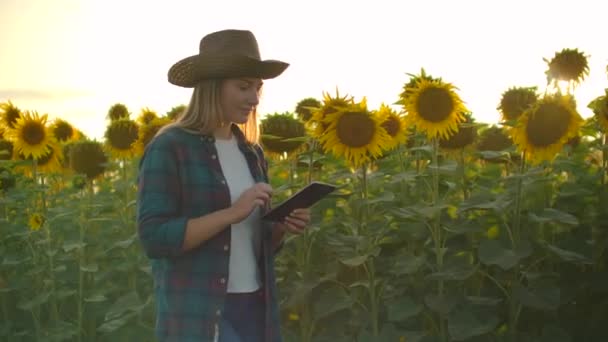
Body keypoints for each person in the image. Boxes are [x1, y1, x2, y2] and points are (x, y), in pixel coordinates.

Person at [136, 29, 311, 342]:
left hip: (256, 306)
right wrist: (232, 213)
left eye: (258, 88)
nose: (254, 99)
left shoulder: (252, 153)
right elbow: (155, 238)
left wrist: (282, 226)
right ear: (212, 87)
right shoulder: (170, 148)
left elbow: (255, 246)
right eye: (243, 87)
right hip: (199, 311)